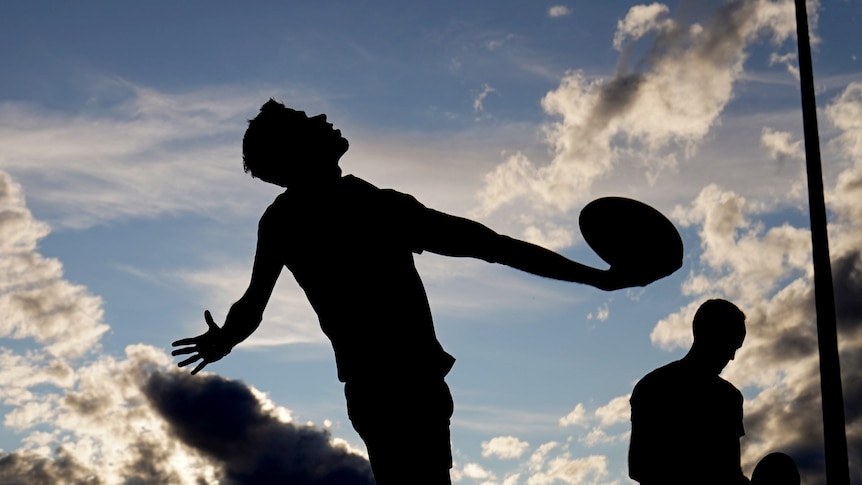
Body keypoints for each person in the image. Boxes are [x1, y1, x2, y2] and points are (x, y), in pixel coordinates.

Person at [173, 99, 651, 485]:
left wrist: (227, 339)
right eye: (306, 121)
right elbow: (492, 246)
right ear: (295, 151)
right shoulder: (371, 208)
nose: (321, 118)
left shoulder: (284, 219)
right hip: (402, 386)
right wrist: (597, 277)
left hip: (376, 387)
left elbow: (251, 305)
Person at [628, 298, 749, 485]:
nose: (732, 357)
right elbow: (639, 467)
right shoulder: (653, 387)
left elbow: (731, 471)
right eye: (731, 344)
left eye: (736, 347)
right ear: (707, 335)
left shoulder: (652, 385)